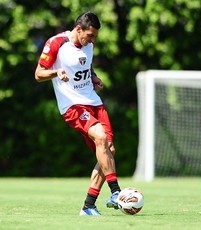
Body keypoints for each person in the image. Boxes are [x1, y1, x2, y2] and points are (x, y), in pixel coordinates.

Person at [35, 11, 121, 216]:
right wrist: (56, 73)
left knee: (109, 149)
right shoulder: (57, 42)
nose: (92, 40)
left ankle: (89, 205)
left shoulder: (88, 44)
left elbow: (86, 65)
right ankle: (116, 192)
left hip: (93, 101)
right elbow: (39, 74)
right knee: (100, 137)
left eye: (95, 37)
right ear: (78, 29)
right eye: (90, 35)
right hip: (72, 105)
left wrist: (94, 77)